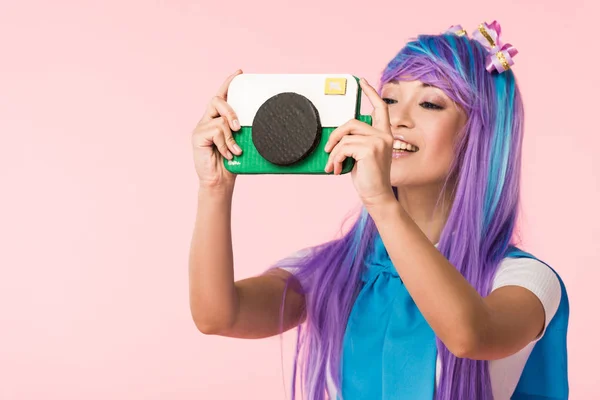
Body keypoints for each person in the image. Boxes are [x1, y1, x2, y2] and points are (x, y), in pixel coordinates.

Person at [188, 21, 569, 400]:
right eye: (387, 100)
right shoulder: (333, 271)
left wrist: (381, 202)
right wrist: (214, 188)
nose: (396, 120)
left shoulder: (526, 280)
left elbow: (471, 336)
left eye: (430, 103)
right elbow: (218, 315)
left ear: (480, 133)